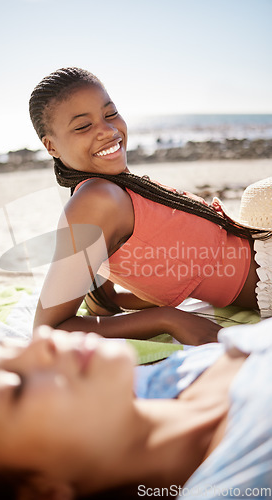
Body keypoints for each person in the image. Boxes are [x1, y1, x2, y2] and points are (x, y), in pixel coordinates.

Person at [28, 67, 272, 345]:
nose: (108, 131)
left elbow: (105, 302)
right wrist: (169, 319)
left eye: (110, 114)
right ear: (51, 147)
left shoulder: (112, 190)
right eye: (83, 126)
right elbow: (48, 329)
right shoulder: (95, 202)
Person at [0, 319, 272, 499]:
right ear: (41, 491)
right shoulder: (238, 481)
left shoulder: (167, 379)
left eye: (16, 347)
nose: (44, 338)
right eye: (15, 388)